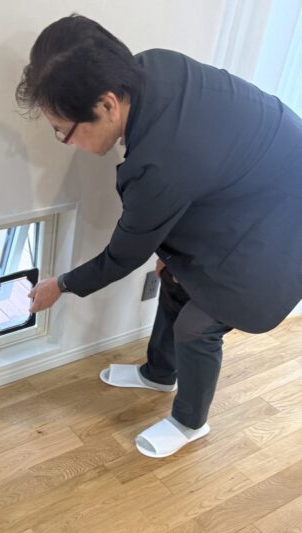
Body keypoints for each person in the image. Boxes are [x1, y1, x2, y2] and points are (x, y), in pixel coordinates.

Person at [16, 13, 302, 458]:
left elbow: (122, 255)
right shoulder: (151, 67)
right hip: (254, 184)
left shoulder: (158, 166)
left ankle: (191, 422)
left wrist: (62, 285)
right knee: (173, 278)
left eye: (63, 130)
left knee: (197, 326)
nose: (64, 141)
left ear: (107, 105)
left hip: (283, 219)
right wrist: (171, 249)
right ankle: (159, 374)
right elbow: (196, 172)